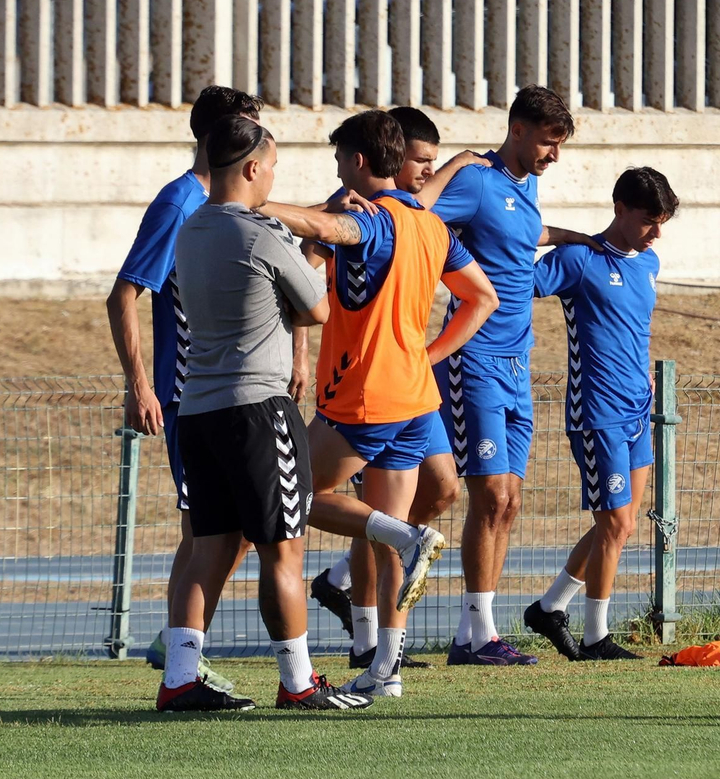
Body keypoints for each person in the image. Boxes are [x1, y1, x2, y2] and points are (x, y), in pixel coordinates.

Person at [258, 111, 499, 697]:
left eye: (341, 160)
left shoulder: (372, 220)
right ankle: (386, 670)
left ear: (359, 161)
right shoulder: (429, 224)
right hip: (416, 396)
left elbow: (319, 224)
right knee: (386, 535)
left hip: (366, 397)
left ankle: (412, 543)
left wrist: (250, 203)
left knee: (288, 499)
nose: (339, 171)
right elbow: (482, 297)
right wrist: (429, 352)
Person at [157, 116, 370, 712]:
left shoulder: (192, 228)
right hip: (258, 409)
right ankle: (298, 682)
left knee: (210, 547)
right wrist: (314, 247)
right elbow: (315, 310)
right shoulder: (260, 232)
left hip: (198, 410)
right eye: (271, 165)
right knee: (285, 550)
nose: (274, 176)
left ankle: (179, 678)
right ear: (253, 169)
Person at [428, 85, 599, 667]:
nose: (555, 155)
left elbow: (528, 238)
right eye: (549, 143)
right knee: (489, 492)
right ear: (518, 130)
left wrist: (584, 239)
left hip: (517, 364)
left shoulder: (525, 189)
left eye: (560, 145)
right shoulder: (477, 179)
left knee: (510, 502)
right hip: (472, 358)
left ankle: (473, 633)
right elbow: (421, 221)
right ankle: (474, 636)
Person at [106, 85, 269, 692]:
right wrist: (140, 385)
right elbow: (125, 292)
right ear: (219, 135)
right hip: (185, 394)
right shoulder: (180, 202)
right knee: (208, 529)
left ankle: (177, 643)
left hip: (224, 390)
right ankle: (179, 650)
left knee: (224, 528)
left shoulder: (232, 202)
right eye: (250, 127)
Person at [522, 168, 677, 661]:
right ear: (619, 208)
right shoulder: (578, 258)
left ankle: (550, 609)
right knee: (612, 524)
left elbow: (635, 327)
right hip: (597, 412)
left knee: (623, 523)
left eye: (663, 221)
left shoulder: (648, 263)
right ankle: (595, 637)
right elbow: (515, 283)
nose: (657, 232)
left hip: (638, 408)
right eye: (649, 220)